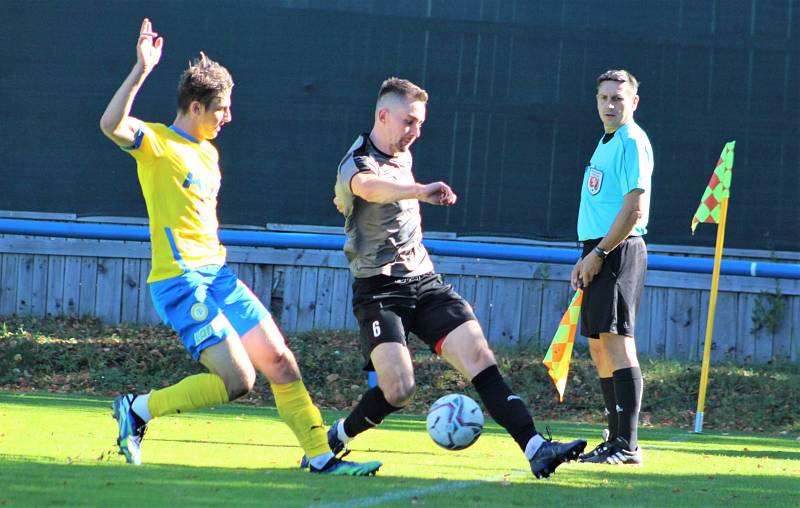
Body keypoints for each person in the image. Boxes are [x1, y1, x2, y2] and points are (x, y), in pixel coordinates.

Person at [98, 18, 380, 476]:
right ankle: (137, 409)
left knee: (281, 363)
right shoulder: (158, 144)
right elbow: (111, 124)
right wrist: (141, 70)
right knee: (238, 380)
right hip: (181, 283)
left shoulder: (209, 150)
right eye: (221, 108)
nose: (227, 116)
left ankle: (321, 457)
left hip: (219, 277)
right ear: (194, 106)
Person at [326, 77, 586, 479]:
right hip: (378, 290)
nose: (415, 132)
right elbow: (370, 188)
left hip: (425, 282)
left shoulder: (401, 153)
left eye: (421, 124)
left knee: (480, 357)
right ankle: (339, 436)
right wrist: (420, 190)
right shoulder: (357, 161)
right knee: (399, 389)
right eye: (409, 122)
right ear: (383, 115)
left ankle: (536, 447)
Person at [571, 69, 652, 465]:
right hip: (598, 249)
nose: (610, 104)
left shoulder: (632, 141)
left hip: (618, 250)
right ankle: (614, 437)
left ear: (633, 102)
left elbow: (633, 210)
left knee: (618, 342)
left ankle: (629, 444)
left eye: (618, 98)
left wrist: (600, 253)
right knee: (599, 344)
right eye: (604, 97)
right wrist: (586, 253)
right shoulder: (606, 142)